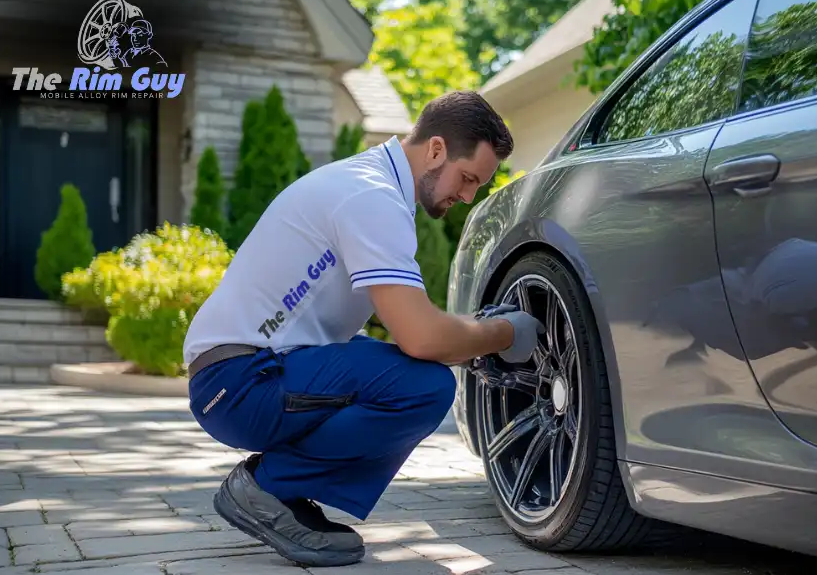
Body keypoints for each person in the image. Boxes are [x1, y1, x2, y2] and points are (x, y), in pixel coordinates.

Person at [182, 91, 545, 568]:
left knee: (400, 368)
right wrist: (503, 332)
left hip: (244, 373)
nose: (467, 196)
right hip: (241, 383)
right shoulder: (372, 198)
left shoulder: (367, 184)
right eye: (468, 178)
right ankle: (267, 489)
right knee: (423, 385)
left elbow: (411, 322)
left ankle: (281, 487)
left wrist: (469, 331)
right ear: (436, 149)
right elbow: (424, 338)